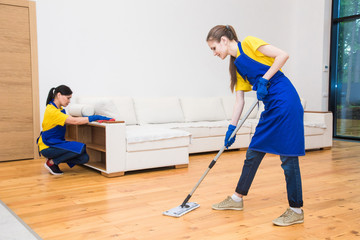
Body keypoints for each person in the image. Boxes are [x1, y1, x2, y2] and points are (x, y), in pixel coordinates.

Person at [206, 25, 305, 226]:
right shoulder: (236, 67)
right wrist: (231, 129)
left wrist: (264, 80)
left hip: (286, 101)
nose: (214, 53)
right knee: (253, 152)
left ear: (224, 40)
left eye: (214, 48)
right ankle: (236, 199)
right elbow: (239, 101)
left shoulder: (249, 43)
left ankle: (296, 209)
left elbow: (283, 55)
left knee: (288, 157)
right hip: (271, 106)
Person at [37, 85, 111, 175]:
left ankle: (53, 160)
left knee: (84, 158)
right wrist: (95, 117)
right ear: (59, 95)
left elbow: (68, 121)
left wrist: (84, 118)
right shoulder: (52, 111)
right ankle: (52, 162)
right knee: (81, 147)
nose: (69, 101)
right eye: (68, 98)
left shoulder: (59, 109)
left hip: (56, 143)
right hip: (48, 146)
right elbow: (74, 121)